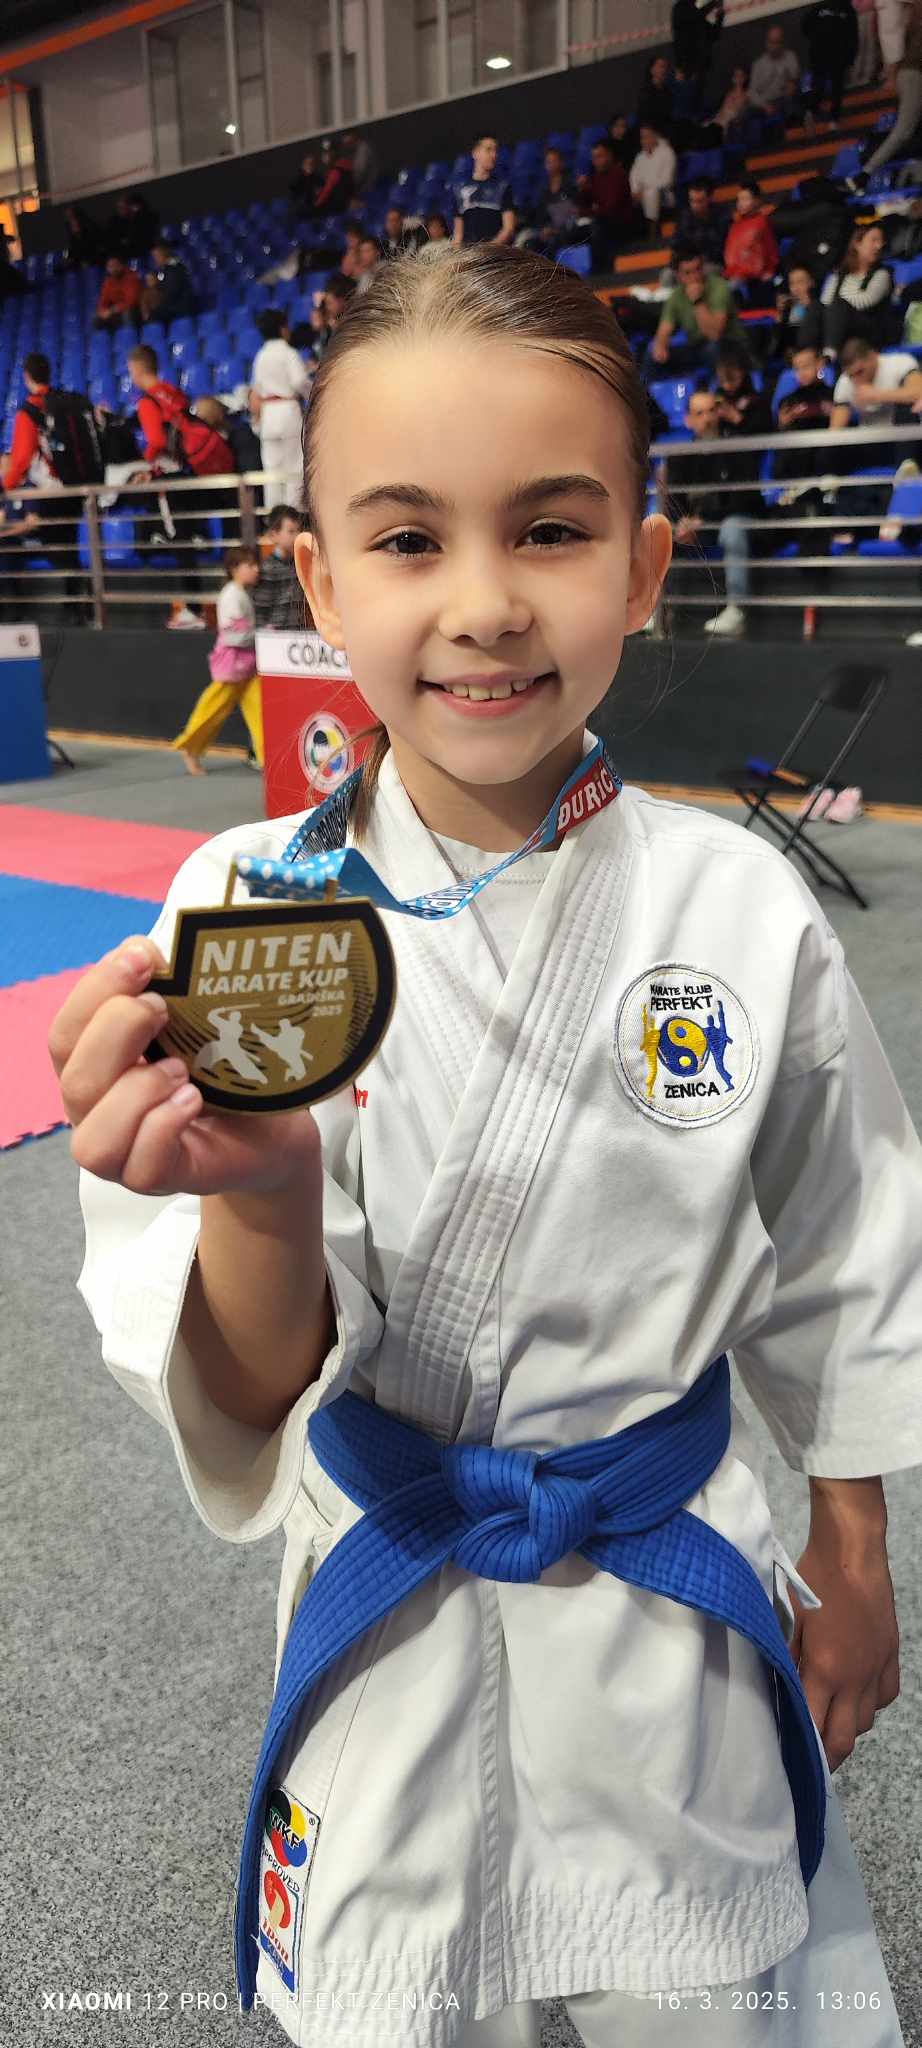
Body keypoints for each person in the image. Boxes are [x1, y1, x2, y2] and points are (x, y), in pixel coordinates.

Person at [55, 239, 917, 2048]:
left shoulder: (734, 905)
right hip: (390, 1609)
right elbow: (248, 1388)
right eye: (404, 538)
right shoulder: (241, 909)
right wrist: (266, 1195)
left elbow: (845, 1247)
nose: (482, 604)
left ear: (644, 566)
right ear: (314, 577)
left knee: (703, 1998)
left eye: (547, 530)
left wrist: (853, 1547)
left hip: (661, 1610)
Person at [670, 384, 765, 633]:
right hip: (696, 526)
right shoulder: (679, 455)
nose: (708, 418)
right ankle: (655, 610)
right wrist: (682, 522)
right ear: (688, 420)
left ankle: (736, 609)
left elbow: (747, 499)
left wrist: (704, 520)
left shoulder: (737, 448)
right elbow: (672, 500)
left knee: (732, 529)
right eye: (700, 413)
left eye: (712, 411)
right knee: (657, 529)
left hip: (734, 520)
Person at [170, 543, 263, 775]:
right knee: (210, 711)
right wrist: (261, 633)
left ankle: (268, 758)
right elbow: (233, 636)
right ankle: (190, 747)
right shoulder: (231, 595)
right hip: (232, 665)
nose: (256, 569)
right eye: (250, 565)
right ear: (235, 568)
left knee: (262, 712)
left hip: (248, 666)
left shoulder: (240, 593)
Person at [249, 308, 313, 510]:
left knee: (272, 472)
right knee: (294, 468)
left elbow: (256, 389)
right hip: (287, 410)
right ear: (283, 328)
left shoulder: (260, 356)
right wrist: (315, 394)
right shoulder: (288, 353)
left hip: (268, 414)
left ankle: (274, 521)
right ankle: (294, 519)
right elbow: (299, 381)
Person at [650, 246, 746, 369]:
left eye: (698, 269)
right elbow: (664, 330)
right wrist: (660, 346)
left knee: (714, 348)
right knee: (651, 354)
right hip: (696, 346)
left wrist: (697, 301)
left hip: (729, 345)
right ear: (678, 276)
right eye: (687, 273)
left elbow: (714, 334)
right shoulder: (676, 296)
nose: (695, 276)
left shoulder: (719, 287)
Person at [858, 1, 922, 176]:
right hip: (912, 75)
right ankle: (866, 172)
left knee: (907, 130)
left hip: (908, 74)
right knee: (904, 130)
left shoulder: (912, 23)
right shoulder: (913, 24)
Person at [820, 221, 895, 354]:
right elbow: (825, 303)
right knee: (815, 308)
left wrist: (840, 302)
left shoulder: (882, 274)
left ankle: (829, 354)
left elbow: (865, 301)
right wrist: (837, 306)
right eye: (874, 240)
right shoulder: (839, 274)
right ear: (857, 243)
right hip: (839, 325)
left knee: (838, 305)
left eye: (881, 242)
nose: (878, 246)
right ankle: (806, 355)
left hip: (867, 331)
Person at [576, 138, 635, 271]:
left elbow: (611, 208)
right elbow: (582, 208)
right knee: (569, 232)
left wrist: (593, 210)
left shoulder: (619, 175)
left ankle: (600, 273)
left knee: (597, 228)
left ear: (609, 156)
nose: (596, 161)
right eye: (594, 157)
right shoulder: (594, 178)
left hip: (621, 223)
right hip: (601, 220)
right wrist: (583, 190)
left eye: (600, 156)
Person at [802, 0, 860, 129]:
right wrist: (816, 41)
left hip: (839, 56)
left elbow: (853, 35)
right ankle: (811, 113)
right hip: (819, 54)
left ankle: (834, 118)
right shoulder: (819, 7)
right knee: (817, 85)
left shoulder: (847, 9)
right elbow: (805, 26)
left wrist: (850, 57)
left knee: (837, 88)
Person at [520, 146, 584, 258]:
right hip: (547, 232)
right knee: (529, 244)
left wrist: (555, 230)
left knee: (553, 242)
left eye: (554, 161)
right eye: (548, 162)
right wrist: (542, 229)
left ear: (561, 163)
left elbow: (573, 214)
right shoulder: (544, 191)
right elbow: (540, 216)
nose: (550, 164)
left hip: (565, 232)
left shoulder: (570, 187)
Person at [722, 178, 779, 304]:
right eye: (739, 200)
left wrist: (769, 270)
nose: (740, 203)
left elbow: (771, 249)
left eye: (745, 199)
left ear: (757, 200)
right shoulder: (735, 225)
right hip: (733, 274)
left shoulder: (763, 222)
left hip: (751, 275)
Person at [453, 136, 516, 247]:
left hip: (495, 252)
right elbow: (458, 234)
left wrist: (487, 250)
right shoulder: (460, 189)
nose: (494, 155)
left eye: (495, 150)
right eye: (488, 150)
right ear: (475, 153)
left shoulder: (502, 187)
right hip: (469, 253)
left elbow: (508, 229)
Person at [254, 501, 305, 631]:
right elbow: (261, 609)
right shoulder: (268, 568)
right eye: (291, 531)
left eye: (298, 530)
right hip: (276, 636)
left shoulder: (299, 563)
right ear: (274, 535)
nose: (297, 536)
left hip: (298, 633)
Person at [712, 339, 772, 433]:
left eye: (732, 380)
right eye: (721, 381)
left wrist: (738, 419)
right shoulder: (718, 397)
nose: (726, 386)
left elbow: (764, 432)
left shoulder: (758, 401)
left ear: (743, 373)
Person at [628, 123, 677, 235]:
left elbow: (667, 181)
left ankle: (652, 231)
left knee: (651, 193)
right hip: (641, 195)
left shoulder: (667, 153)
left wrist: (644, 190)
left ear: (656, 136)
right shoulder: (640, 157)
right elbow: (633, 177)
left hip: (664, 195)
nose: (644, 140)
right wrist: (635, 190)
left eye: (647, 136)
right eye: (642, 137)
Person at [672, 176, 726, 269]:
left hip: (712, 262)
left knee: (708, 270)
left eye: (700, 201)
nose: (695, 205)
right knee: (667, 274)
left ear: (710, 198)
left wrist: (699, 258)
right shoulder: (685, 216)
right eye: (692, 201)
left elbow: (719, 247)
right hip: (689, 261)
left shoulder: (722, 215)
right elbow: (676, 243)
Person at [748, 22, 802, 116]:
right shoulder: (758, 64)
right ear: (766, 42)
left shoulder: (790, 56)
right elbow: (752, 93)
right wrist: (764, 105)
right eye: (771, 42)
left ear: (782, 42)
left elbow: (796, 79)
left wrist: (793, 84)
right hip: (764, 104)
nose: (774, 46)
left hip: (785, 100)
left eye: (777, 42)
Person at [672, 0, 724, 95]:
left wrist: (719, 17)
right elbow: (695, 16)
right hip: (686, 66)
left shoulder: (698, 19)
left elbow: (714, 35)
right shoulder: (680, 8)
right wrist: (714, 4)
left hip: (701, 67)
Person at [141, 239, 196, 325]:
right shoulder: (165, 270)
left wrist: (156, 287)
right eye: (154, 256)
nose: (155, 259)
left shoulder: (175, 268)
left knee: (152, 315)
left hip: (180, 308)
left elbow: (171, 294)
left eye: (157, 256)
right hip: (172, 306)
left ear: (164, 253)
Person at [775, 262, 825, 355]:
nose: (796, 288)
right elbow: (777, 344)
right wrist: (779, 316)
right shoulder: (787, 309)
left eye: (800, 282)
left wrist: (808, 306)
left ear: (811, 283)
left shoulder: (819, 307)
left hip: (810, 352)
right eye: (792, 283)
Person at [94, 255, 142, 335]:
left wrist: (113, 310)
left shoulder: (131, 277)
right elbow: (103, 301)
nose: (112, 269)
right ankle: (108, 341)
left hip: (132, 310)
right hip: (115, 312)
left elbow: (130, 301)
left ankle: (130, 337)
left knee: (127, 314)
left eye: (114, 266)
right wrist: (103, 311)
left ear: (121, 266)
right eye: (109, 267)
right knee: (96, 319)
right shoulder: (108, 282)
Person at [63, 204, 104, 270]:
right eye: (68, 217)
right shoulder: (71, 236)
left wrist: (87, 262)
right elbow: (67, 249)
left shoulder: (91, 231)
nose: (70, 220)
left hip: (94, 262)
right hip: (79, 264)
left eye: (71, 216)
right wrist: (65, 257)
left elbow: (97, 249)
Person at [850, 0, 881, 85]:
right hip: (862, 13)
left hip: (867, 12)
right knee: (864, 47)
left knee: (867, 47)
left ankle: (864, 76)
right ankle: (859, 76)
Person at [289, 149, 322, 221]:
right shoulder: (297, 180)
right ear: (303, 165)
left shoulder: (318, 178)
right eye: (308, 163)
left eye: (312, 164)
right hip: (302, 212)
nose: (310, 166)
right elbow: (295, 199)